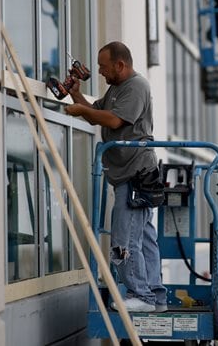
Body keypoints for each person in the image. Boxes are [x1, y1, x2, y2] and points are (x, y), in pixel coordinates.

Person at [64, 41, 167, 313]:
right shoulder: (116, 89)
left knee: (125, 240)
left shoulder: (136, 86)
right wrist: (76, 95)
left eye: (103, 67)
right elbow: (95, 114)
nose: (99, 72)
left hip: (135, 175)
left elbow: (113, 121)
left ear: (120, 65)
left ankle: (141, 296)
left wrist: (84, 110)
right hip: (128, 175)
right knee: (144, 238)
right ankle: (155, 297)